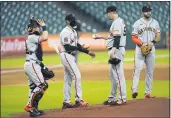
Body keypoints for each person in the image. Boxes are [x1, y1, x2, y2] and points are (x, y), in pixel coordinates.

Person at [59, 14, 96, 109]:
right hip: (67, 55)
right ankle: (78, 100)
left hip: (71, 56)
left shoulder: (74, 31)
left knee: (68, 79)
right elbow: (67, 47)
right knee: (77, 76)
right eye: (72, 20)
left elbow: (77, 45)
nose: (74, 21)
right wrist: (78, 48)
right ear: (67, 21)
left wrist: (87, 51)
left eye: (74, 19)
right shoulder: (65, 32)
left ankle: (66, 101)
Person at [93, 6, 127, 105]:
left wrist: (113, 50)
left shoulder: (116, 22)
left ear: (111, 12)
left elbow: (117, 38)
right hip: (117, 48)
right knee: (113, 76)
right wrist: (101, 37)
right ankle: (112, 98)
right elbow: (113, 37)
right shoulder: (120, 21)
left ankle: (122, 98)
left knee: (118, 75)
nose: (107, 15)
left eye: (108, 13)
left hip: (117, 49)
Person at [131, 5, 160, 99]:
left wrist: (153, 42)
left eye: (149, 11)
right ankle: (134, 90)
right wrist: (142, 43)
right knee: (137, 70)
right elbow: (134, 38)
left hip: (151, 49)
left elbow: (158, 36)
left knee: (150, 71)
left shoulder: (155, 22)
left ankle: (148, 93)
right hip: (140, 50)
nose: (148, 12)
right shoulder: (137, 23)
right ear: (142, 12)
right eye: (146, 11)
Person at [24, 17, 49, 117]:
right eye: (37, 27)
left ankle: (33, 109)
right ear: (33, 29)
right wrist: (44, 27)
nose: (39, 29)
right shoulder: (32, 36)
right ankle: (30, 106)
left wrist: (42, 66)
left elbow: (36, 54)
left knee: (33, 88)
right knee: (42, 85)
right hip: (32, 64)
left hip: (32, 63)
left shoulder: (31, 37)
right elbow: (45, 37)